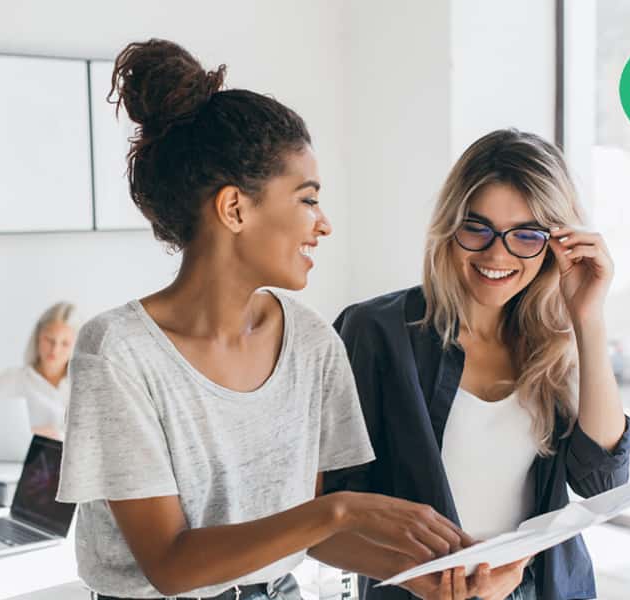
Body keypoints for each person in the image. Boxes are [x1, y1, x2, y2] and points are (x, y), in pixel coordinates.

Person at [56, 39, 481, 600]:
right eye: (307, 199)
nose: (323, 224)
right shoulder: (118, 352)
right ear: (235, 208)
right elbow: (170, 565)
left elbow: (309, 538)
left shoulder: (311, 341)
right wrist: (339, 510)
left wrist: (428, 578)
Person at [325, 129, 630, 600]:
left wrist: (587, 319)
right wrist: (425, 576)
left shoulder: (555, 343)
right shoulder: (375, 331)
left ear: (554, 244)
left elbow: (602, 482)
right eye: (477, 228)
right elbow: (333, 508)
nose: (496, 254)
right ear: (449, 227)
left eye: (526, 236)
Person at [0, 302, 78, 439]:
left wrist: (59, 435)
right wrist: (29, 433)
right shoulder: (12, 379)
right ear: (38, 338)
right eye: (49, 340)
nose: (55, 350)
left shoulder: (83, 386)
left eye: (65, 344)